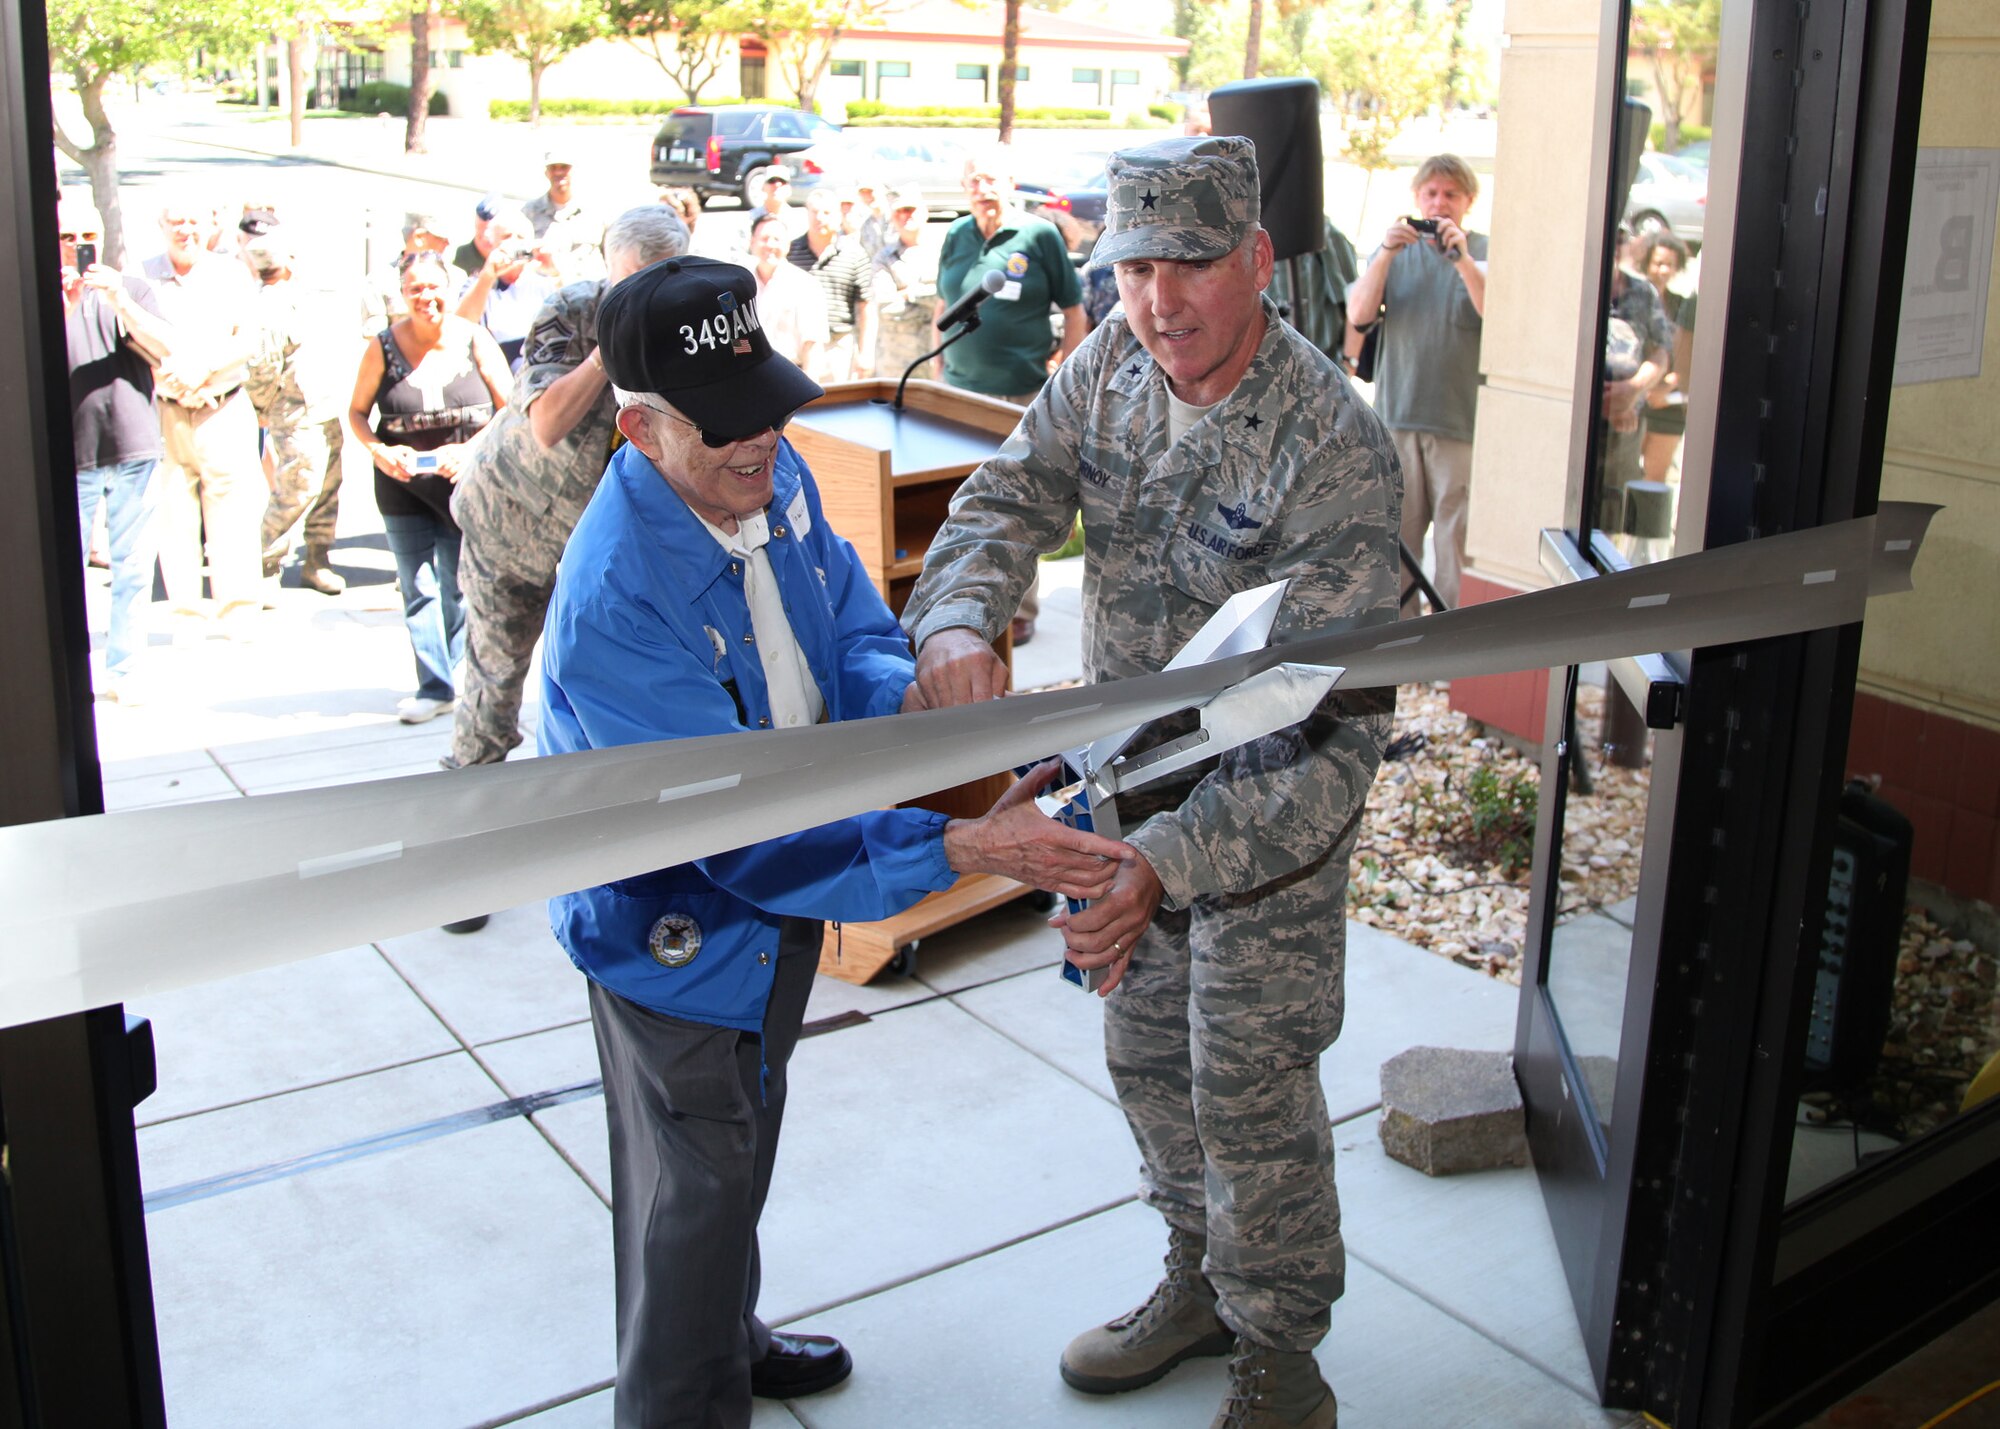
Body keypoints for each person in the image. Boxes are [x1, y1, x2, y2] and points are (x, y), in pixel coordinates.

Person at [540, 254, 1136, 1429]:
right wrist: (960, 849)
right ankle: (681, 1396)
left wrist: (911, 693)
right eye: (726, 432)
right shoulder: (615, 603)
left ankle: (727, 1332)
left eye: (769, 409)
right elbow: (744, 837)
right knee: (693, 1190)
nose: (762, 447)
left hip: (781, 913)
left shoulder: (768, 472)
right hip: (681, 936)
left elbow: (843, 632)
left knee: (735, 1150)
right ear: (640, 427)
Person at [901, 136, 1399, 1429]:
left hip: (1259, 826)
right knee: (1145, 1058)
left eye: (1188, 264)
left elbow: (1337, 731)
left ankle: (1283, 1356)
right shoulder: (1108, 367)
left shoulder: (1332, 443)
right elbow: (1005, 500)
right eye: (1132, 267)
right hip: (1129, 799)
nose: (1158, 301)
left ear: (1257, 262)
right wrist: (959, 614)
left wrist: (1164, 866)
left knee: (1247, 1085)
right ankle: (1199, 1279)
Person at [443, 206, 690, 773]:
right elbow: (547, 424)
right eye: (636, 285)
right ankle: (470, 823)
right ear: (611, 270)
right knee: (494, 690)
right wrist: (610, 347)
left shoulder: (687, 321)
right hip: (510, 524)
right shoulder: (572, 309)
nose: (651, 300)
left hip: (600, 549)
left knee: (602, 692)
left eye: (666, 281)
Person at [346, 253, 512, 725]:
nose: (426, 298)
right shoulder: (382, 347)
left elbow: (511, 407)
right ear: (402, 295)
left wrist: (471, 450)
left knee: (458, 585)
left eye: (434, 287)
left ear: (451, 287)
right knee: (417, 587)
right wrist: (379, 450)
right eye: (415, 289)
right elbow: (356, 413)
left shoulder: (474, 339)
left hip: (465, 485)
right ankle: (434, 684)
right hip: (403, 487)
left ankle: (458, 669)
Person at [932, 145, 1085, 645]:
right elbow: (942, 303)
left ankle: (1020, 610)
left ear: (1012, 182)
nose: (982, 187)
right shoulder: (956, 234)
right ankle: (959, 600)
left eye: (990, 178)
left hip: (1021, 397)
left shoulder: (1038, 234)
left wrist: (1066, 372)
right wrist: (937, 368)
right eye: (973, 179)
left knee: (1019, 507)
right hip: (960, 395)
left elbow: (1075, 308)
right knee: (962, 504)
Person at [1341, 154, 1488, 615]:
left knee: (1454, 545)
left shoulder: (1483, 250)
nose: (1439, 203)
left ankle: (1451, 647)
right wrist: (1385, 253)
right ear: (1416, 197)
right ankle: (1402, 646)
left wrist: (1461, 259)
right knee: (1397, 540)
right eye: (1431, 193)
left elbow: (1494, 313)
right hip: (1398, 416)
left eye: (1450, 194)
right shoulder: (1393, 253)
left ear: (1468, 201)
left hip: (1459, 423)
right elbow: (1359, 314)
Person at [63, 199, 175, 696]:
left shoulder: (129, 290)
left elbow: (168, 348)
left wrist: (118, 302)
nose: (80, 246)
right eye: (69, 237)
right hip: (71, 452)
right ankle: (69, 672)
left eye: (88, 236)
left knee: (133, 567)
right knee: (68, 574)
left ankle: (125, 671)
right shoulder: (39, 295)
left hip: (133, 448)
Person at [141, 197, 267, 629]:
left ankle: (239, 614)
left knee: (233, 515)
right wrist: (172, 382)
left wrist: (203, 372)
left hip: (224, 406)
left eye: (193, 221)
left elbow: (248, 339)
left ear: (208, 225)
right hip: (166, 410)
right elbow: (133, 338)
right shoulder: (144, 275)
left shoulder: (230, 272)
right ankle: (187, 615)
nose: (185, 230)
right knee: (174, 516)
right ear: (161, 226)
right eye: (175, 220)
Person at [244, 234, 348, 596]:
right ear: (286, 262)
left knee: (328, 487)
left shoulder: (300, 298)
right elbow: (262, 366)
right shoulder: (269, 306)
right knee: (297, 488)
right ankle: (263, 565)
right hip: (294, 410)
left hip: (323, 406)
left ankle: (318, 560)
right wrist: (260, 407)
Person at [1597, 242, 1675, 535]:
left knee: (1613, 518)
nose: (1612, 249)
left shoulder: (1642, 293)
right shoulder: (1576, 282)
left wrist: (1631, 392)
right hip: (1578, 426)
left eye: (1618, 242)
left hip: (1625, 428)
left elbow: (1661, 353)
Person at [454, 206, 562, 369]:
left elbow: (576, 318)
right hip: (498, 369)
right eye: (506, 237)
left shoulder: (545, 280)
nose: (515, 242)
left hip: (543, 365)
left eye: (520, 237)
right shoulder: (478, 284)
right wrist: (488, 276)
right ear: (491, 245)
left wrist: (555, 272)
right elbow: (461, 325)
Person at [787, 189, 875, 381]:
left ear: (838, 216)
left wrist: (866, 352)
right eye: (815, 212)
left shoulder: (854, 254)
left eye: (826, 213)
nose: (820, 218)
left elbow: (866, 306)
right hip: (798, 347)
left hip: (837, 346)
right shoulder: (790, 252)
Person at [1638, 232, 1696, 484]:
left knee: (1653, 479)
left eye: (1669, 264)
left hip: (1668, 407)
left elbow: (1688, 358)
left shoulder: (1682, 305)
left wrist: (1670, 386)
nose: (1662, 270)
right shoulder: (1632, 299)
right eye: (1657, 262)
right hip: (1635, 400)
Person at [359, 210, 469, 337]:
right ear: (419, 237)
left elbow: (467, 328)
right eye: (441, 238)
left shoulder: (457, 277)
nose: (447, 243)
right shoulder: (381, 280)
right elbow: (375, 336)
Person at [748, 210, 829, 378]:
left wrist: (810, 391)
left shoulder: (806, 285)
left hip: (792, 376)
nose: (770, 245)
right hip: (750, 376)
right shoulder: (740, 287)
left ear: (788, 244)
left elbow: (812, 344)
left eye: (777, 239)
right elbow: (737, 338)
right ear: (752, 242)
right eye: (764, 239)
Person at [524, 148, 603, 279]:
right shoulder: (529, 212)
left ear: (573, 170)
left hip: (586, 292)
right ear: (546, 173)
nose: (559, 172)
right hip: (544, 292)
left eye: (564, 167)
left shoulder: (594, 213)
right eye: (553, 168)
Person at [452, 194, 503, 277]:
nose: (486, 236)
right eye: (481, 228)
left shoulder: (509, 255)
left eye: (491, 231)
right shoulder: (463, 253)